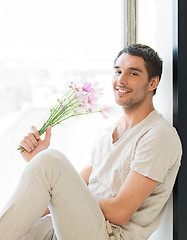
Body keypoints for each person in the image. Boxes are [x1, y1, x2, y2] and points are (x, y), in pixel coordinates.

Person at [0, 44, 182, 240]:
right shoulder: (107, 131)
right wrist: (37, 165)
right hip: (79, 226)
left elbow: (120, 213)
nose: (121, 80)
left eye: (133, 74)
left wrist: (62, 192)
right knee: (21, 228)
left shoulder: (157, 135)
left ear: (153, 83)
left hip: (109, 234)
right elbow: (70, 187)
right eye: (118, 71)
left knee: (51, 161)